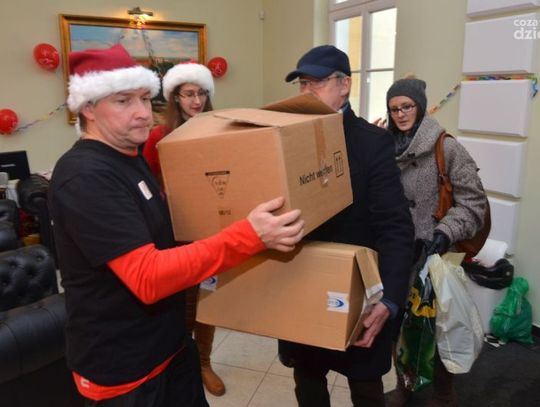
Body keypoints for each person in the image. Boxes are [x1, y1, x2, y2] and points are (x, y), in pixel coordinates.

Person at [48, 43, 304, 407]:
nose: (142, 113)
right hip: (124, 370)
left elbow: (166, 236)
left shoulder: (129, 155)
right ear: (88, 107)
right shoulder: (85, 176)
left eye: (144, 98)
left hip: (170, 348)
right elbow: (148, 277)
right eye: (123, 101)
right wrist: (248, 235)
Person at [279, 45, 415, 407]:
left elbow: (395, 226)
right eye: (302, 84)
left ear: (344, 85)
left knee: (366, 388)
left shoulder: (372, 143)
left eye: (317, 82)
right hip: (303, 285)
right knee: (308, 382)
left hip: (359, 294)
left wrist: (389, 300)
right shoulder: (285, 138)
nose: (306, 91)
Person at [378, 77, 487, 407]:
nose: (400, 114)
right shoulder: (384, 147)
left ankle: (443, 394)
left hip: (435, 255)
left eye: (407, 106)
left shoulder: (446, 147)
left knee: (438, 328)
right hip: (397, 252)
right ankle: (405, 386)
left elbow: (474, 203)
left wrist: (444, 233)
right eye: (394, 108)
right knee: (397, 323)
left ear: (421, 107)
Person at [142, 62, 227, 397]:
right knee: (182, 305)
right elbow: (146, 185)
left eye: (202, 93)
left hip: (212, 228)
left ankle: (204, 362)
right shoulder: (158, 137)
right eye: (189, 94)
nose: (197, 100)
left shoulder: (219, 130)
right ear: (175, 98)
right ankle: (181, 363)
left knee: (210, 298)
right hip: (174, 233)